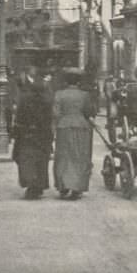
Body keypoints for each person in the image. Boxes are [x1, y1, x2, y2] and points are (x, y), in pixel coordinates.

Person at [53, 68, 95, 200]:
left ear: (66, 81)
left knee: (63, 156)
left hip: (64, 126)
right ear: (78, 82)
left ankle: (63, 186)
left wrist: (62, 120)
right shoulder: (84, 95)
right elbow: (88, 112)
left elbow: (55, 113)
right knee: (79, 156)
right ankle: (77, 187)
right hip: (81, 126)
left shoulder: (59, 94)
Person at [11, 66, 53, 200]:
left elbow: (18, 118)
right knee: (41, 160)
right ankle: (39, 186)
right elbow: (49, 119)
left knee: (26, 159)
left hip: (26, 134)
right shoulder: (46, 102)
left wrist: (17, 132)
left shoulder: (24, 100)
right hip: (42, 135)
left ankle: (30, 185)